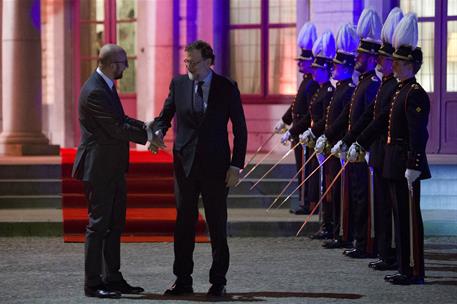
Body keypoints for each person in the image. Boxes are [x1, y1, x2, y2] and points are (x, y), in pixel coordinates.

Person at [149, 40, 248, 297]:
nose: (188, 66)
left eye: (193, 62)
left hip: (217, 167)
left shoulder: (227, 87)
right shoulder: (179, 84)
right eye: (186, 61)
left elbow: (240, 129)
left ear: (208, 61)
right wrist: (158, 131)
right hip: (185, 165)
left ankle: (218, 281)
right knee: (183, 223)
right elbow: (164, 116)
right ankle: (183, 279)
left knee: (216, 223)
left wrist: (236, 165)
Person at [72, 44, 148, 298]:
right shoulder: (94, 90)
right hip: (98, 168)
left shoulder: (105, 85)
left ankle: (112, 277)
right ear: (107, 63)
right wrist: (148, 136)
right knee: (98, 226)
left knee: (114, 225)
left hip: (112, 167)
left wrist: (147, 128)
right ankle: (92, 284)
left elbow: (122, 119)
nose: (125, 67)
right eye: (121, 63)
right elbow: (115, 128)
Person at [318, 8, 382, 258]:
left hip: (365, 150)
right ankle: (356, 238)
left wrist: (358, 143)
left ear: (372, 56)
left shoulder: (371, 85)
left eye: (362, 54)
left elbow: (370, 120)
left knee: (362, 197)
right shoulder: (362, 83)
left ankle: (364, 241)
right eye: (358, 53)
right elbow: (350, 117)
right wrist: (345, 141)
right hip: (353, 147)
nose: (358, 57)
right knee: (354, 195)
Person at [345, 7, 404, 270]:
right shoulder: (382, 85)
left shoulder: (388, 86)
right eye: (377, 56)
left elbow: (379, 121)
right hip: (378, 153)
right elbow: (368, 117)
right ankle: (384, 251)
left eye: (382, 57)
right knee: (378, 205)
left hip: (388, 154)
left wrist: (360, 143)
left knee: (389, 209)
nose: (380, 61)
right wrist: (351, 140)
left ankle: (392, 254)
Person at [381, 13, 430, 285]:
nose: (395, 67)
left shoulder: (415, 93)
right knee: (400, 219)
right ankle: (403, 267)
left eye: (399, 63)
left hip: (406, 163)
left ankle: (415, 270)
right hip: (395, 161)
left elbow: (417, 133)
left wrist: (415, 163)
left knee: (410, 219)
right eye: (395, 63)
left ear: (411, 65)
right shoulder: (401, 91)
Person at [302, 23, 358, 248]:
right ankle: (333, 228)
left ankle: (340, 231)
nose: (333, 69)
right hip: (330, 144)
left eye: (336, 65)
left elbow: (341, 119)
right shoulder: (339, 89)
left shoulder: (344, 90)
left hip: (339, 146)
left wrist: (326, 135)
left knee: (339, 191)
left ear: (345, 66)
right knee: (329, 189)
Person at [294, 30, 335, 238]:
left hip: (324, 142)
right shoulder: (319, 88)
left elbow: (326, 120)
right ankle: (324, 222)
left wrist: (313, 131)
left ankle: (329, 224)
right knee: (317, 182)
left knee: (325, 185)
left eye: (319, 68)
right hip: (316, 140)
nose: (314, 71)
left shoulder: (328, 90)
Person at [276, 22, 319, 214]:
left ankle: (308, 202)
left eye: (303, 61)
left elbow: (310, 112)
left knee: (307, 169)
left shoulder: (313, 84)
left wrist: (293, 129)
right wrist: (285, 120)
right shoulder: (305, 82)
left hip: (305, 132)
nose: (300, 63)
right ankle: (304, 201)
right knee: (301, 168)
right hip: (298, 131)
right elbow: (296, 104)